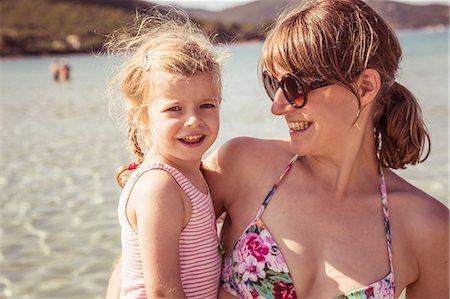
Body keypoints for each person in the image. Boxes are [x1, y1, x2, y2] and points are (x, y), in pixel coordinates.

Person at [107, 1, 448, 298]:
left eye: (295, 86)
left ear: (365, 86)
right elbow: (143, 250)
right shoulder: (244, 166)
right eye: (275, 85)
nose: (279, 105)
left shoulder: (428, 229)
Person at [105, 9, 224, 299]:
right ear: (142, 117)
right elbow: (162, 291)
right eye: (174, 109)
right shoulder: (160, 185)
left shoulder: (189, 174)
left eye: (206, 105)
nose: (193, 120)